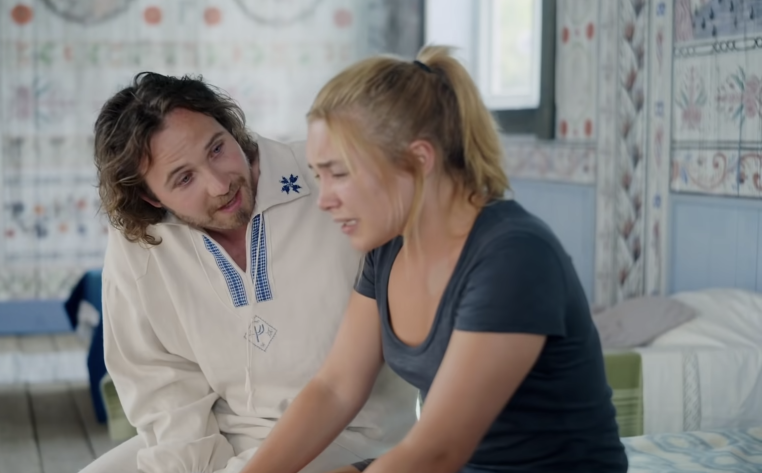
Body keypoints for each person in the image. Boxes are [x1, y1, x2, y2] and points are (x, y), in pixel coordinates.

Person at [237, 45, 629, 473]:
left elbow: (438, 450)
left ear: (419, 160)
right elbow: (335, 388)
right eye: (318, 176)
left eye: (340, 172)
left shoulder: (514, 256)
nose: (324, 200)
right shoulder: (386, 249)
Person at [79, 72, 418, 473]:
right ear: (151, 197)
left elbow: (347, 384)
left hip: (345, 436)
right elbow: (158, 380)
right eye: (184, 178)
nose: (221, 183)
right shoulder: (139, 240)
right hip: (216, 434)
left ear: (230, 127)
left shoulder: (326, 182)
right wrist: (189, 466)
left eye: (218, 148)